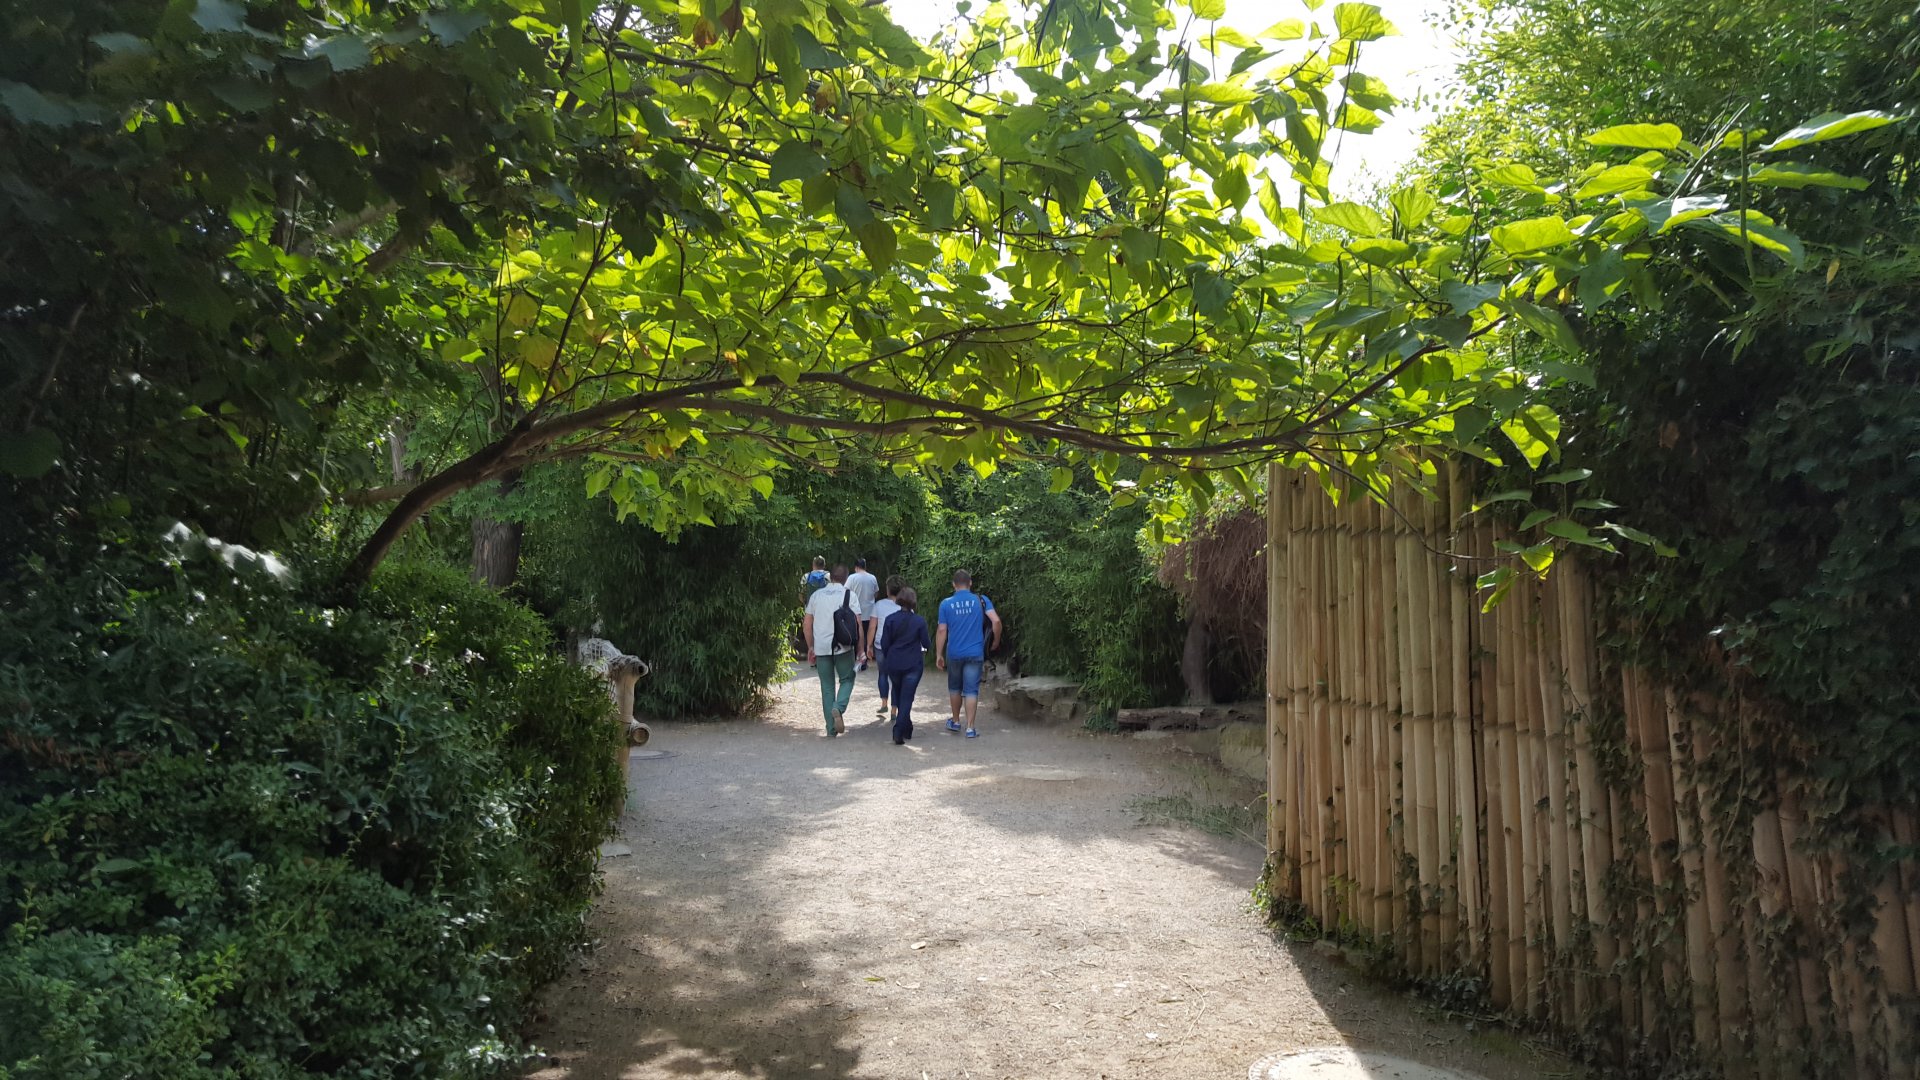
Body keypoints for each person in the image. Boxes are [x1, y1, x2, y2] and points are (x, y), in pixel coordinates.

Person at [935, 569, 1001, 739]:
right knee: (971, 690)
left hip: (954, 653)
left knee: (955, 687)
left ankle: (956, 721)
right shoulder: (981, 600)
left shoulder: (946, 604)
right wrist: (995, 641)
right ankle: (970, 728)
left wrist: (938, 654)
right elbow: (996, 621)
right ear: (970, 583)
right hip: (975, 652)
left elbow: (942, 630)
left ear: (953, 584)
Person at [802, 565, 859, 736]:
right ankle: (838, 707)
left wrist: (811, 646)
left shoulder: (816, 596)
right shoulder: (849, 595)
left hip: (821, 647)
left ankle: (831, 729)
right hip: (843, 647)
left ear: (830, 577)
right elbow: (857, 624)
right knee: (847, 679)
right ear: (845, 578)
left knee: (827, 687)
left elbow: (807, 624)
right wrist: (861, 648)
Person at [877, 586, 933, 745]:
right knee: (907, 697)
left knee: (899, 692)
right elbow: (926, 643)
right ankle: (899, 730)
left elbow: (884, 643)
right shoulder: (919, 621)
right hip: (913, 663)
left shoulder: (890, 619)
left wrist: (890, 656)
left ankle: (906, 726)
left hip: (894, 663)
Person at [866, 575, 906, 716]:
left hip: (881, 645)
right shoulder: (906, 606)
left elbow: (872, 627)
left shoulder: (879, 605)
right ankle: (894, 710)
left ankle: (884, 703)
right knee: (897, 678)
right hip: (900, 647)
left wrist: (868, 646)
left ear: (888, 590)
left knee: (883, 674)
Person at [847, 558, 880, 671]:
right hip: (870, 611)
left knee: (855, 636)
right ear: (865, 566)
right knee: (867, 636)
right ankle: (864, 661)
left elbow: (845, 592)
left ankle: (854, 659)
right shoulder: (872, 578)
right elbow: (876, 593)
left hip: (855, 612)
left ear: (856, 567)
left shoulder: (852, 578)